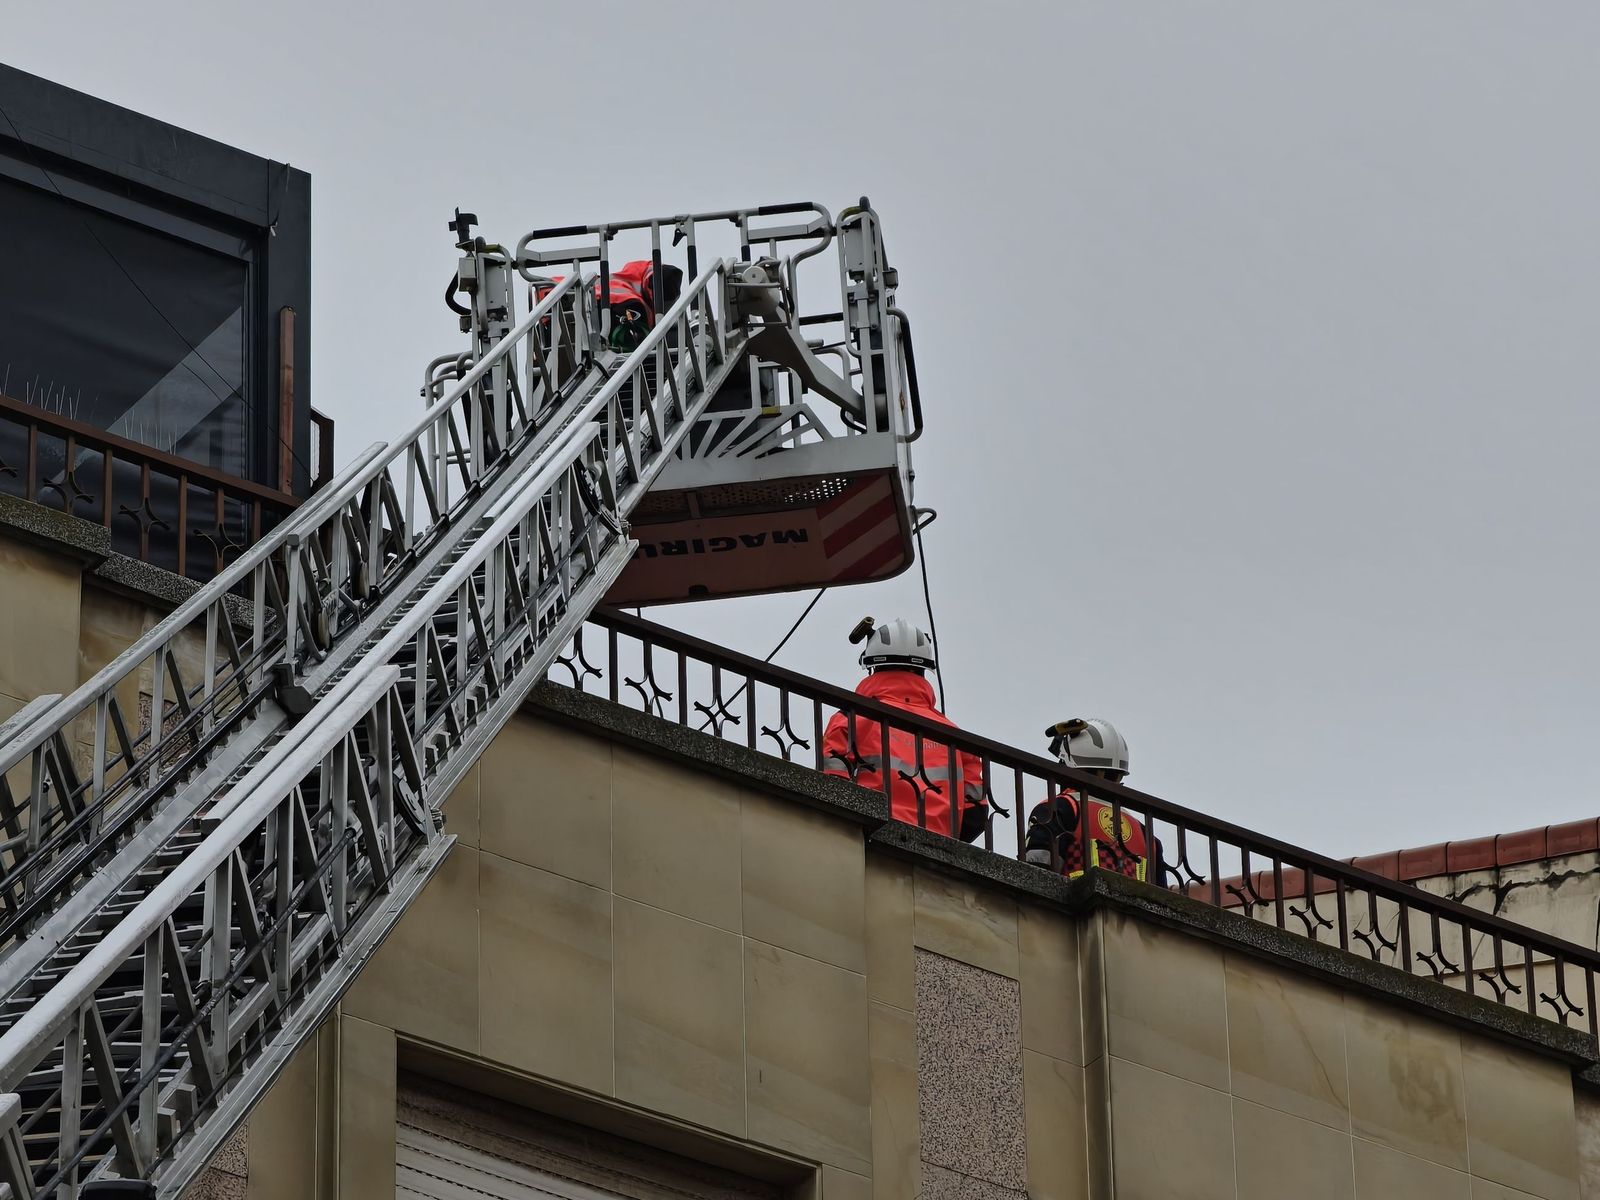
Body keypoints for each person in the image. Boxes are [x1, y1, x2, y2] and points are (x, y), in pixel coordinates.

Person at [822, 618, 988, 841]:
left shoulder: (852, 718)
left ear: (872, 667)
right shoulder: (956, 739)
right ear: (923, 670)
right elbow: (975, 814)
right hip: (939, 848)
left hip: (871, 836)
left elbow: (833, 782)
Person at [1024, 718, 1158, 882]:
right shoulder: (1145, 833)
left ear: (1069, 763)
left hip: (1073, 904)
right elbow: (1163, 899)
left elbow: (1036, 872)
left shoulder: (1062, 807)